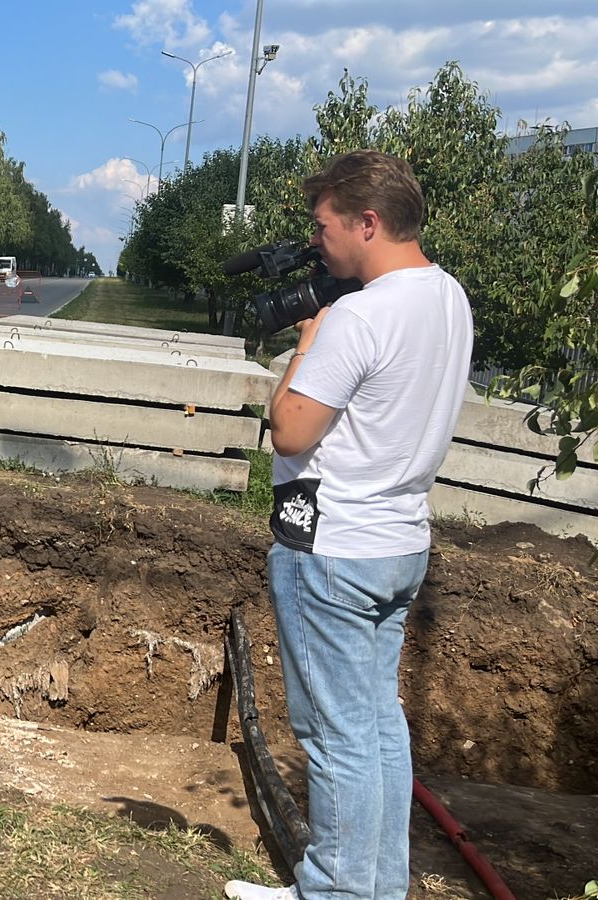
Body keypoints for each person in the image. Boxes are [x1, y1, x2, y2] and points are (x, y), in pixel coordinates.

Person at [224, 150, 474, 900]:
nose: (317, 240)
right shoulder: (448, 296)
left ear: (368, 221)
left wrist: (305, 344)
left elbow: (293, 430)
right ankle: (372, 887)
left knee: (335, 737)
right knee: (376, 726)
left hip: (332, 548)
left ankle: (333, 892)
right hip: (399, 542)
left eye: (323, 224)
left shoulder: (360, 316)